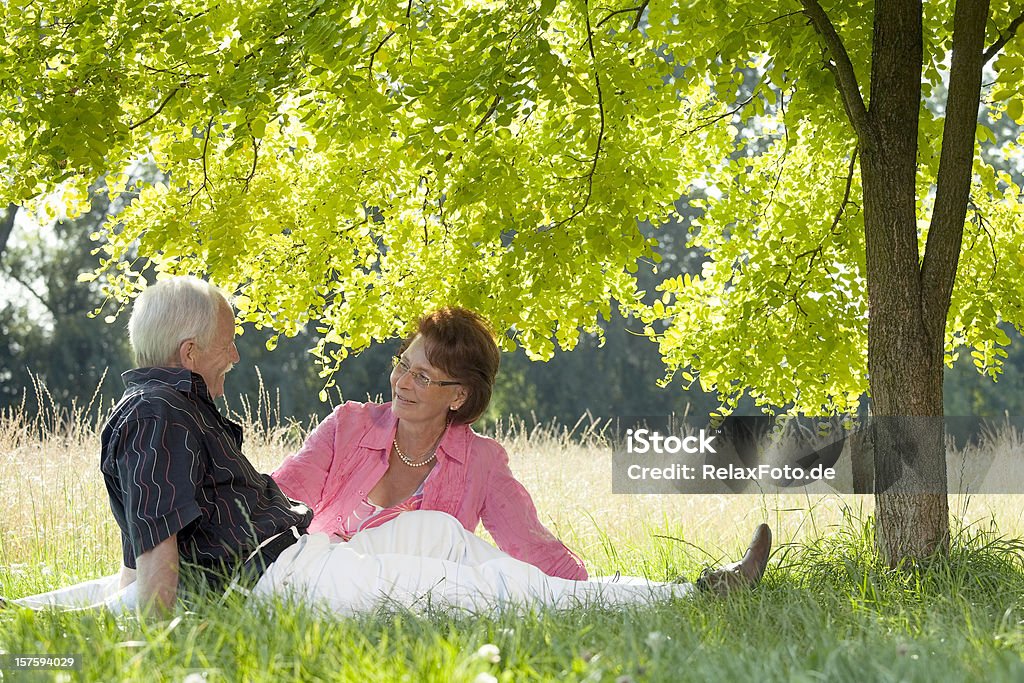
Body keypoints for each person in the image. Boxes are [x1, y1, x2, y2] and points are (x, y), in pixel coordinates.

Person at [6, 276, 772, 616]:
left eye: (419, 372)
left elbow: (174, 540)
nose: (236, 356)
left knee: (462, 545)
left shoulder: (176, 411)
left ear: (456, 395)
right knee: (484, 596)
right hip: (298, 576)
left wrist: (577, 587)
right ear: (186, 349)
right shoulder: (161, 418)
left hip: (300, 559)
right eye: (227, 342)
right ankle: (692, 593)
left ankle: (619, 600)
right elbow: (161, 572)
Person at [270, 307, 586, 580]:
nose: (403, 382)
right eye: (403, 365)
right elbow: (280, 500)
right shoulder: (348, 426)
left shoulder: (480, 462)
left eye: (423, 377)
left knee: (446, 538)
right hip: (330, 581)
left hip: (414, 600)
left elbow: (531, 546)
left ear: (459, 396)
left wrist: (586, 589)